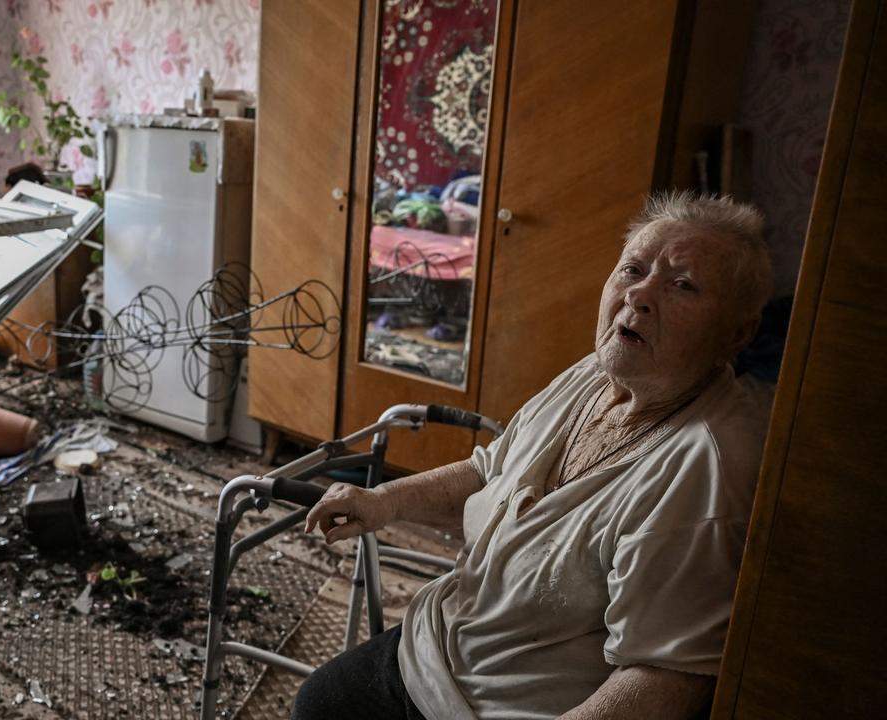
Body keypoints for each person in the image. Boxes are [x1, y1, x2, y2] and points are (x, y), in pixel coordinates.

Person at [294, 192, 774, 720]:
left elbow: (664, 676)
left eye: (682, 285)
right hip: (445, 642)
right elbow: (489, 472)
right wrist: (382, 501)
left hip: (510, 705)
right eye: (633, 269)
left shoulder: (703, 470)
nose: (639, 295)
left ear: (737, 332)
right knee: (318, 701)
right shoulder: (595, 373)